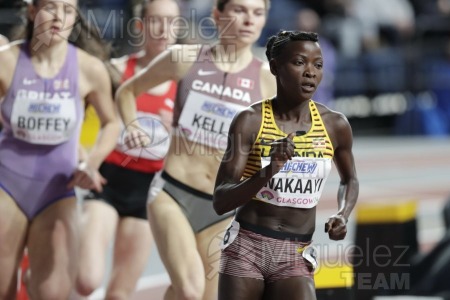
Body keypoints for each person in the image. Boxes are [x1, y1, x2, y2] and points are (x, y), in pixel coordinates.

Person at [116, 0, 276, 298]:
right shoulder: (185, 58)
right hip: (173, 194)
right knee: (190, 288)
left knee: (199, 295)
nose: (248, 20)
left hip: (222, 208)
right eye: (239, 10)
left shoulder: (268, 79)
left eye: (257, 13)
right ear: (217, 15)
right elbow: (127, 92)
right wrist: (133, 126)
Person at [213, 30, 359, 300]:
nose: (310, 73)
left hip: (295, 251)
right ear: (275, 67)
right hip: (247, 246)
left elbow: (349, 179)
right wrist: (269, 169)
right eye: (299, 62)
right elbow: (221, 199)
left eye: (318, 65)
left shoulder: (335, 125)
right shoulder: (250, 121)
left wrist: (343, 213)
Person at [0, 0, 120, 299]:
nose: (59, 17)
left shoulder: (88, 68)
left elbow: (112, 123)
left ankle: (33, 276)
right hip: (7, 184)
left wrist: (91, 163)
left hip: (58, 189)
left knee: (53, 293)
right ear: (31, 11)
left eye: (68, 10)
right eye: (50, 7)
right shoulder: (7, 60)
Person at [75, 0, 180, 298]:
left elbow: (204, 146)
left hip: (149, 193)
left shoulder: (186, 82)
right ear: (140, 26)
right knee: (86, 279)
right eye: (156, 21)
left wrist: (179, 130)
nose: (164, 30)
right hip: (108, 181)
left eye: (172, 22)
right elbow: (71, 119)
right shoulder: (118, 71)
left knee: (120, 294)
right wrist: (86, 160)